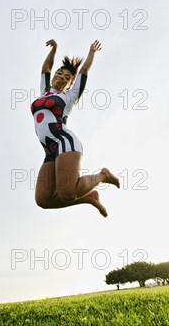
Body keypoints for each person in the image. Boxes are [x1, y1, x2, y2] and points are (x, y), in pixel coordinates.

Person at [30, 39, 120, 217]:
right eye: (59, 73)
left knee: (67, 193)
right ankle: (89, 197)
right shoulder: (44, 91)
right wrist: (55, 49)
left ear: (70, 84)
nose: (61, 77)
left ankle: (103, 176)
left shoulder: (69, 97)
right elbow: (46, 68)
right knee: (43, 200)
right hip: (49, 151)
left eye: (67, 78)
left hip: (65, 143)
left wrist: (91, 53)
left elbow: (84, 71)